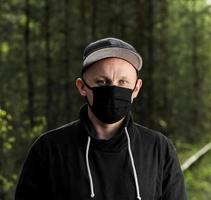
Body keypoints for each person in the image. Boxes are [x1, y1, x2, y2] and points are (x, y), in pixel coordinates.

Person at [15, 37, 187, 200]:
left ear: (136, 89)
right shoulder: (49, 149)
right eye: (102, 82)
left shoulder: (159, 149)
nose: (113, 90)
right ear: (82, 87)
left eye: (122, 82)